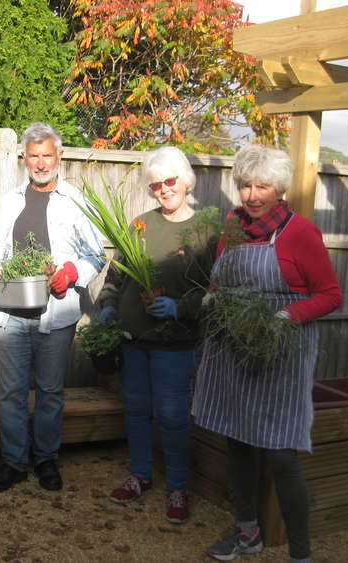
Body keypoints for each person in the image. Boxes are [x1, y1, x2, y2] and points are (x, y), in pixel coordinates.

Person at [193, 144, 342, 562]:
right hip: (233, 349)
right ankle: (248, 534)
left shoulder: (301, 232)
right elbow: (222, 279)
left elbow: (330, 295)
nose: (252, 195)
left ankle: (300, 553)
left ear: (280, 190)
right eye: (245, 186)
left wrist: (283, 318)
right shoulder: (231, 227)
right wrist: (213, 298)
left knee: (279, 452)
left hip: (281, 352)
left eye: (262, 186)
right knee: (237, 441)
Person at [0, 122, 105, 492]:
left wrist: (71, 272)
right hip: (10, 315)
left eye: (47, 155)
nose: (41, 162)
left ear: (59, 156)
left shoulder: (76, 201)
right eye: (34, 156)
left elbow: (95, 255)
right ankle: (14, 463)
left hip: (57, 315)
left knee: (50, 392)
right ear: (24, 160)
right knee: (11, 393)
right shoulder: (11, 200)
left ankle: (46, 460)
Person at [96, 146, 214, 524]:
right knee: (135, 410)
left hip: (175, 342)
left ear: (186, 181)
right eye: (156, 184)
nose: (163, 189)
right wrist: (109, 306)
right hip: (135, 339)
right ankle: (141, 475)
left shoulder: (206, 231)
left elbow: (215, 289)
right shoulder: (139, 225)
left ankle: (178, 486)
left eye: (170, 181)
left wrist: (181, 307)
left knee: (173, 415)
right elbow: (116, 276)